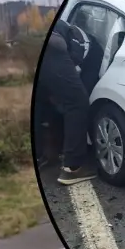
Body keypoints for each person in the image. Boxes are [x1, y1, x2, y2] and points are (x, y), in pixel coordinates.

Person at [36, 20, 96, 185]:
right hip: (52, 46)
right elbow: (70, 75)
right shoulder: (90, 51)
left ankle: (41, 155)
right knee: (77, 103)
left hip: (29, 43)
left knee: (39, 102)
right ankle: (73, 167)